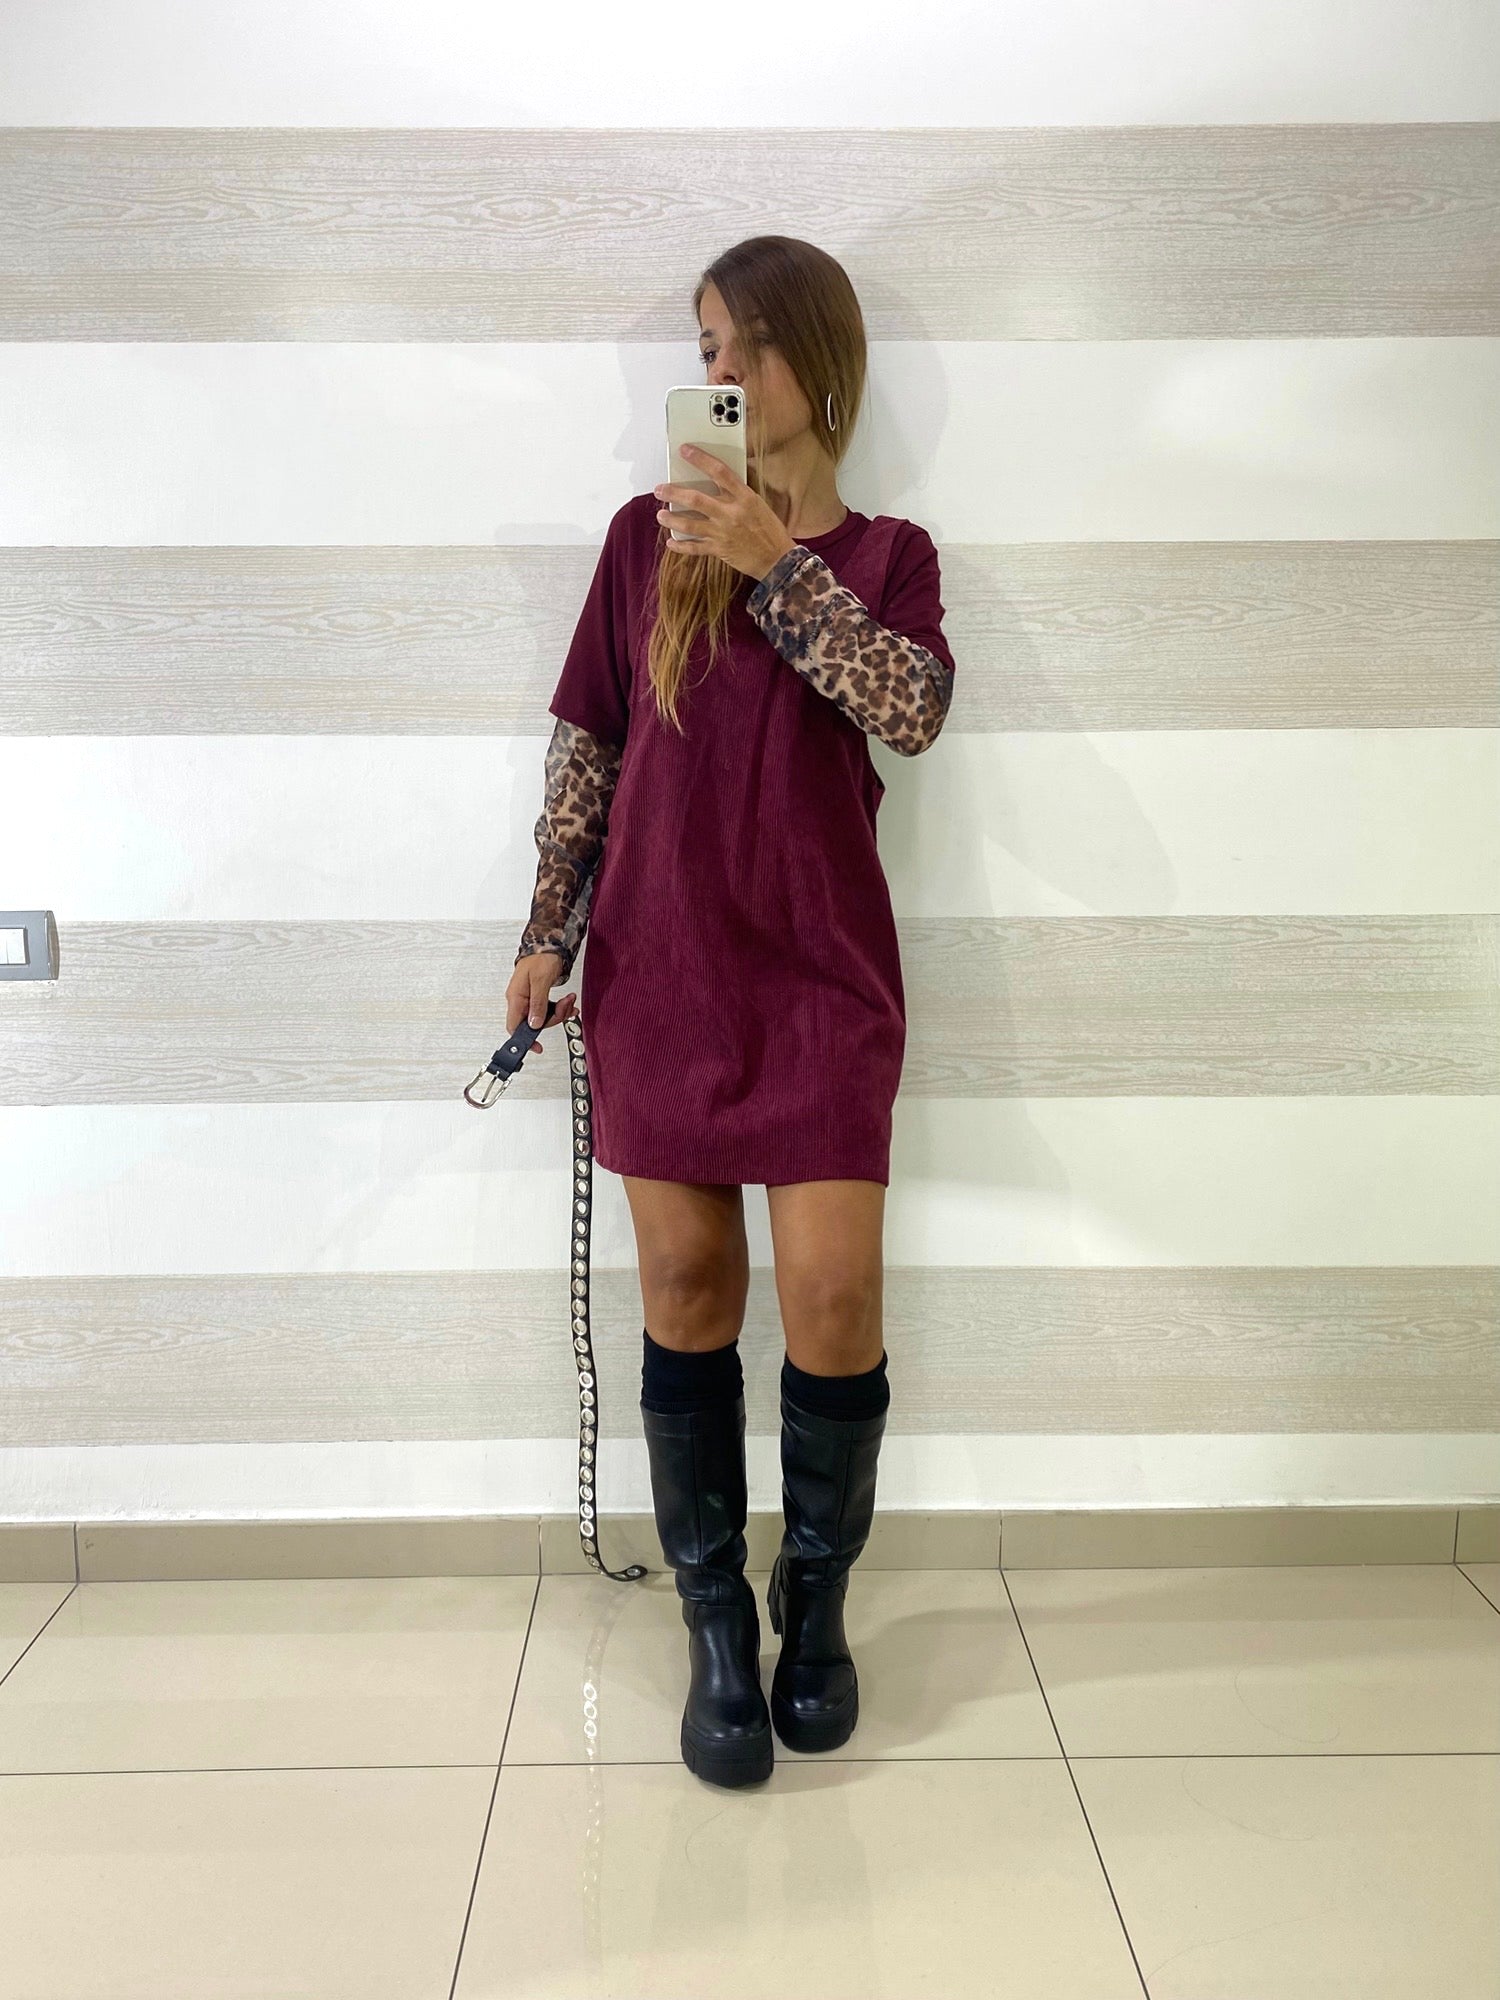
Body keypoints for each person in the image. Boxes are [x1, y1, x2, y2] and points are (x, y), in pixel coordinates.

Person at [506, 235, 956, 1788]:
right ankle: (716, 1624)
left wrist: (778, 560)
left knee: (832, 1299)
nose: (718, 373)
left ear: (815, 359)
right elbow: (588, 748)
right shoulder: (645, 544)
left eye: (743, 345)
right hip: (666, 967)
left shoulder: (888, 554)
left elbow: (911, 708)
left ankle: (812, 1608)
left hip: (824, 974)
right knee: (688, 1288)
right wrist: (547, 929)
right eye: (703, 348)